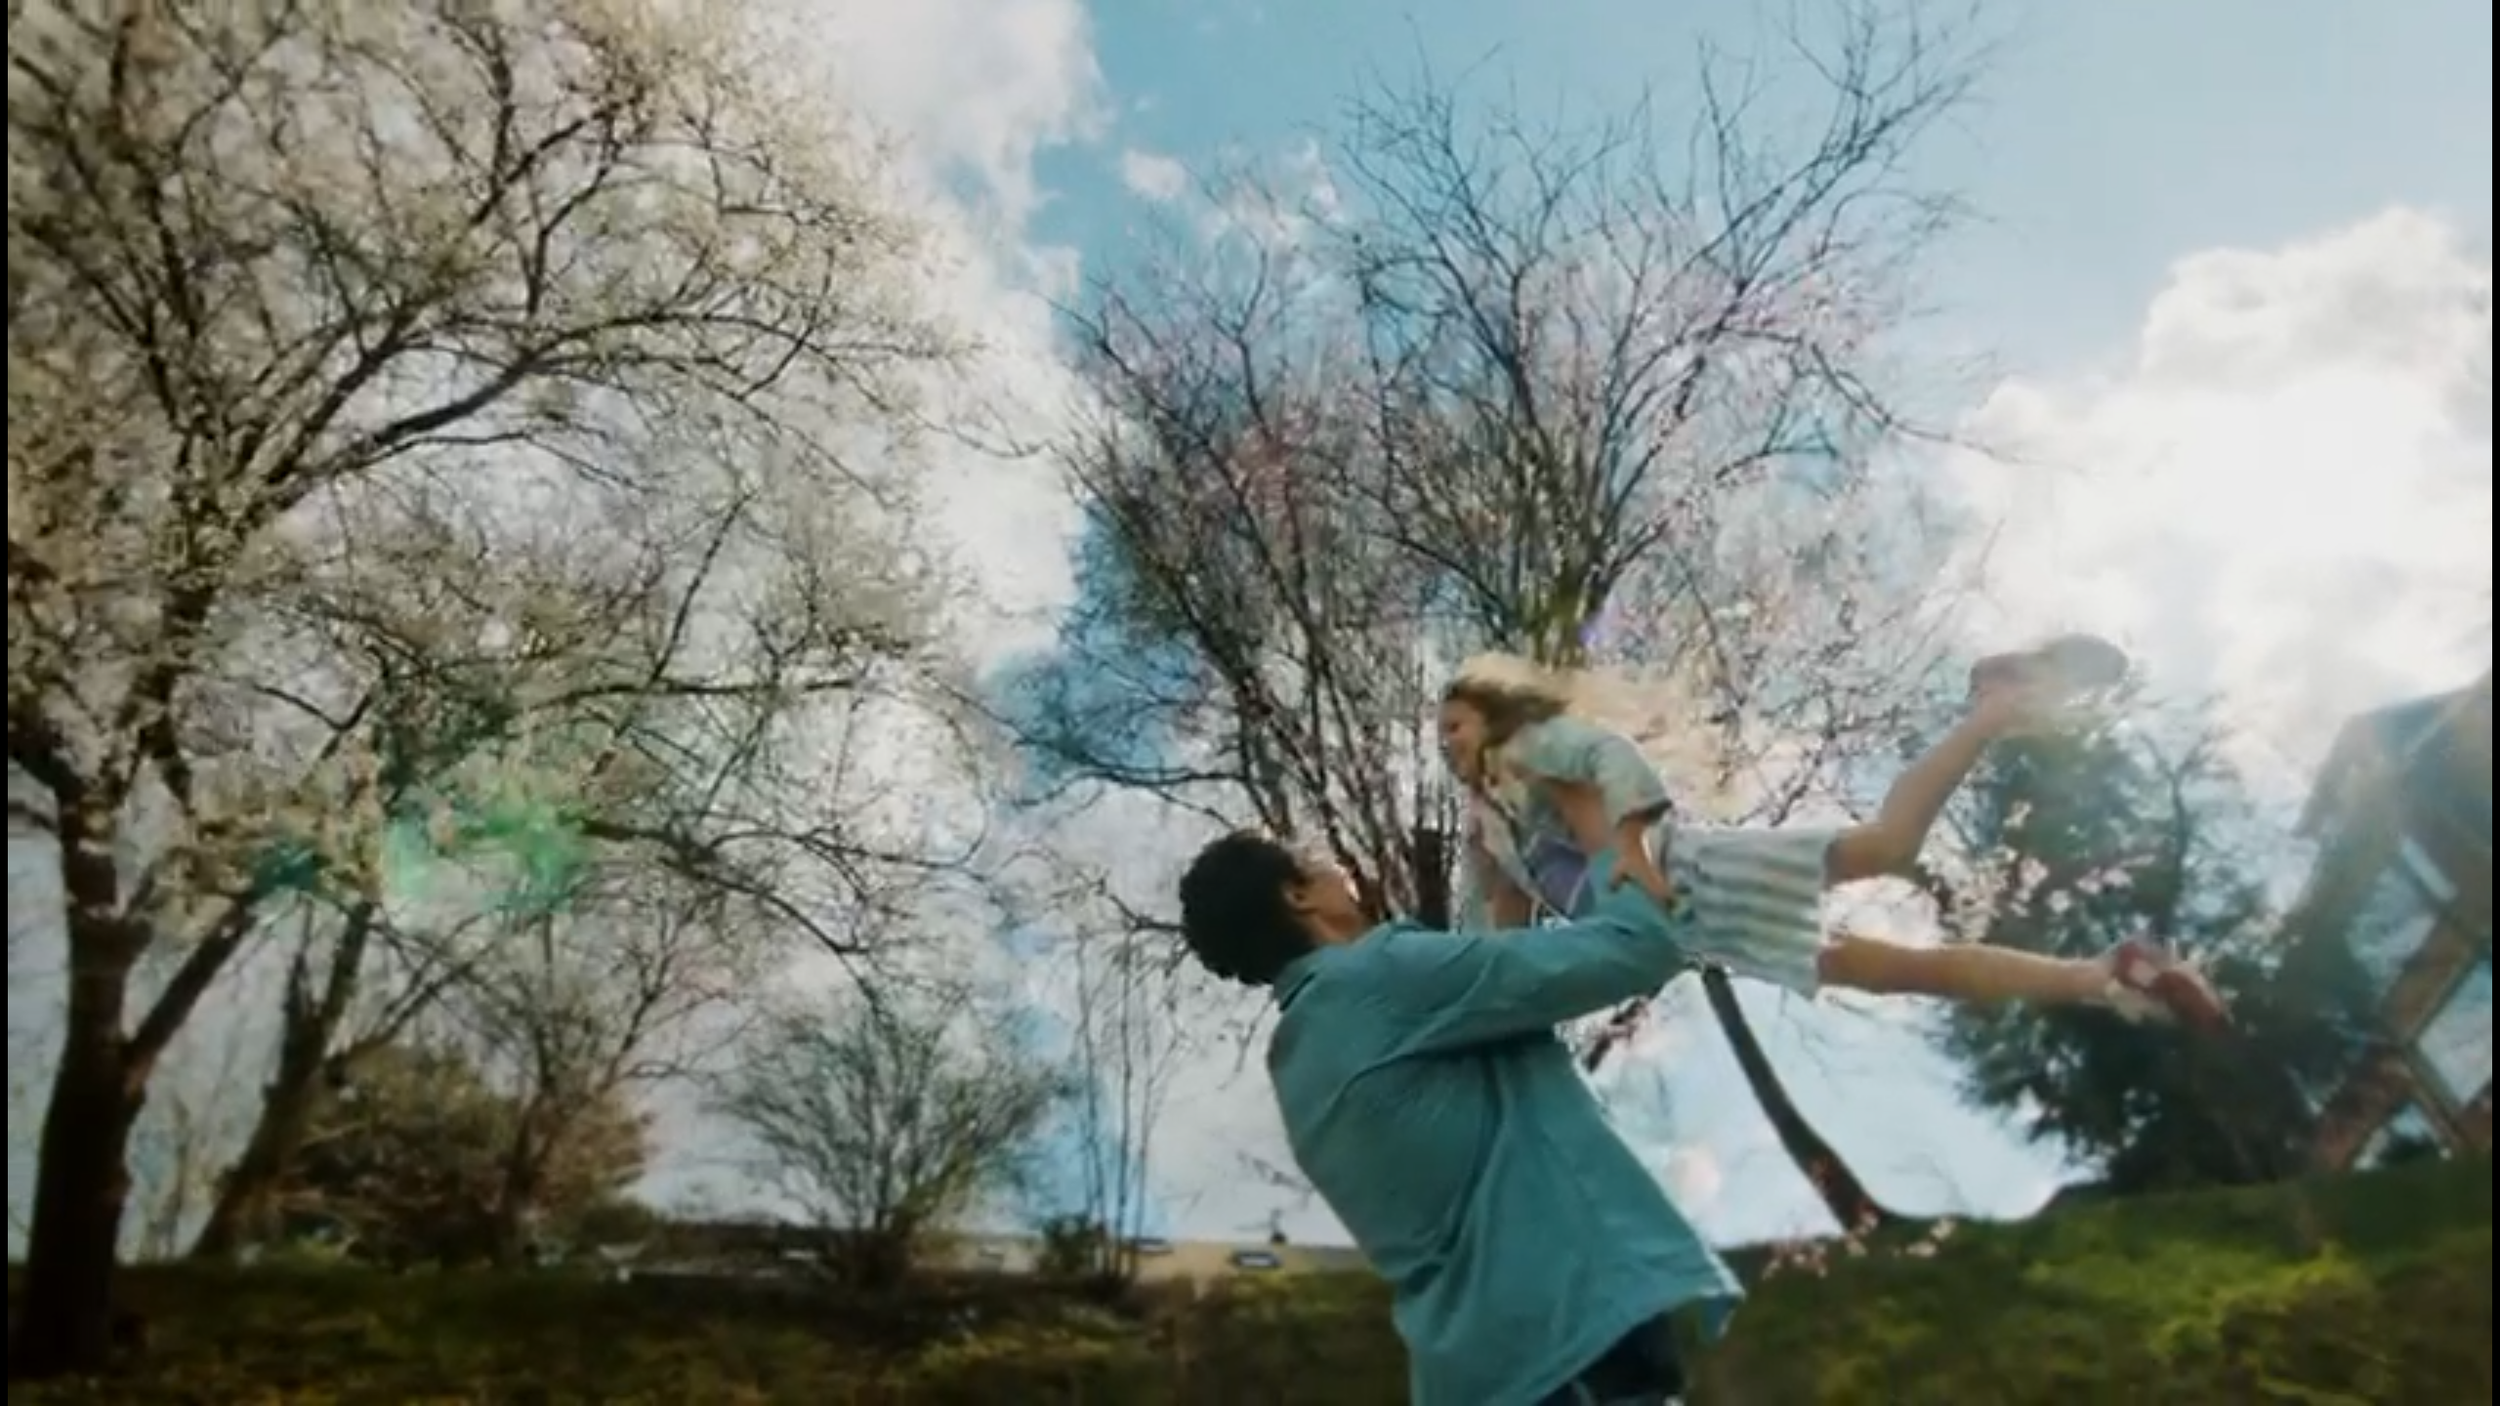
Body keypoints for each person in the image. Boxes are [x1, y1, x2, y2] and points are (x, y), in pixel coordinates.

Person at [1441, 635, 2231, 1063]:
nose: (1448, 743)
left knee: (1887, 847)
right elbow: (1497, 933)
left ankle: (1996, 702)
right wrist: (1493, 1012)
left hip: (1683, 877)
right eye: (1440, 736)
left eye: (1456, 725)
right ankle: (2103, 976)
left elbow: (1609, 761)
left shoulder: (1526, 749)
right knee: (1894, 972)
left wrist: (1633, 853)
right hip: (1691, 933)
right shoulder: (1488, 830)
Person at [1177, 828, 1729, 1405]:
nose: (1336, 867)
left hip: (1479, 1374)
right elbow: (1643, 947)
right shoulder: (1380, 978)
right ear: (1297, 896)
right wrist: (1608, 835)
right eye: (1314, 861)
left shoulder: (1300, 1058)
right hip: (1573, 1345)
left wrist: (1501, 891)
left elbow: (1472, 1025)